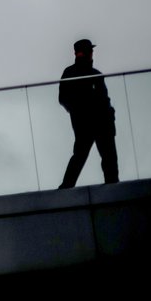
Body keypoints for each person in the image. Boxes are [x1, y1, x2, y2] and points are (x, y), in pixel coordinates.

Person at [56, 38, 118, 188]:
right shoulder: (74, 73)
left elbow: (104, 99)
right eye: (90, 51)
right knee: (84, 155)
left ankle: (112, 184)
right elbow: (63, 98)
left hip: (99, 121)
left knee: (103, 155)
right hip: (87, 122)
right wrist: (79, 111)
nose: (92, 54)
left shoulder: (94, 74)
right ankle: (111, 185)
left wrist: (109, 114)